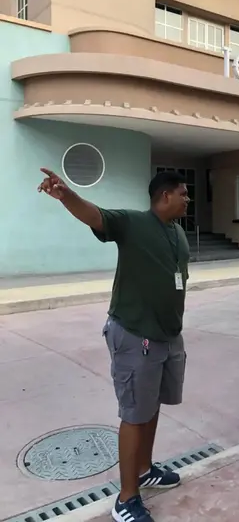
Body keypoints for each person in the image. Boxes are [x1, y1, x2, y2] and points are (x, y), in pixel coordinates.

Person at [37, 168, 190, 522]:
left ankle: (145, 470)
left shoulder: (178, 232)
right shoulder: (133, 223)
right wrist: (66, 195)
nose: (188, 199)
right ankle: (126, 499)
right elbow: (95, 215)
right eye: (183, 194)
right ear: (165, 196)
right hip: (136, 334)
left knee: (151, 406)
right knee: (135, 413)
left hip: (168, 336)